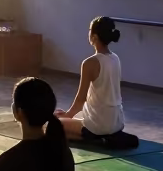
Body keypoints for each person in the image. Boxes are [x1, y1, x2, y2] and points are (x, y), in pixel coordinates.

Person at [57, 16, 135, 146]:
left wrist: (67, 115)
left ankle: (98, 140)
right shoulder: (115, 58)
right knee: (65, 122)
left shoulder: (90, 63)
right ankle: (103, 137)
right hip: (116, 122)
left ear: (94, 36)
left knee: (51, 126)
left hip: (97, 125)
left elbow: (81, 99)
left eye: (89, 30)